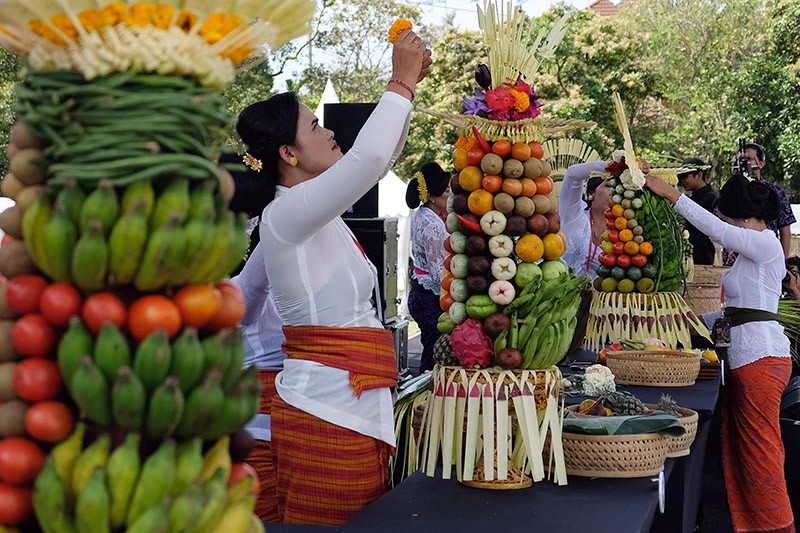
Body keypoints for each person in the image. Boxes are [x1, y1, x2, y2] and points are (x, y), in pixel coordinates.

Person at [234, 29, 431, 526]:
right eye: (315, 127)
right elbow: (368, 160)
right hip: (325, 411)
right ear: (289, 154)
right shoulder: (286, 214)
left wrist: (407, 92)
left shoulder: (310, 214)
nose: (329, 133)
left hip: (345, 406)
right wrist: (399, 83)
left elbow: (376, 162)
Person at [645, 171, 795, 533]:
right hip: (751, 358)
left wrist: (671, 195)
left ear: (740, 217)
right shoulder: (751, 253)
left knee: (761, 452)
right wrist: (688, 322)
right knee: (751, 451)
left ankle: (778, 527)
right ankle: (756, 524)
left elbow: (717, 230)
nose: (724, 223)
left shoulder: (766, 243)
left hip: (761, 359)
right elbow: (735, 312)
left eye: (726, 216)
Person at [405, 162, 450, 373]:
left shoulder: (422, 215)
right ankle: (427, 390)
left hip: (421, 295)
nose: (450, 195)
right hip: (429, 299)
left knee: (433, 350)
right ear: (432, 196)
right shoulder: (431, 225)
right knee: (434, 355)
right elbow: (439, 272)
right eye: (446, 191)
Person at [724, 143, 795, 264]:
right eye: (740, 160)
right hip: (735, 259)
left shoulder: (775, 193)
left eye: (748, 159)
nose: (743, 163)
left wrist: (782, 262)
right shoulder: (729, 192)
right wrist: (729, 248)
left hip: (766, 257)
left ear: (761, 164)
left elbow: (785, 228)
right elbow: (723, 225)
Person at [559, 160, 611, 279]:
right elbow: (573, 174)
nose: (614, 192)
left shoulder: (623, 230)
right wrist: (617, 166)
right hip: (554, 287)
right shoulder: (573, 214)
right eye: (608, 186)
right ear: (591, 193)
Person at [676, 157, 718, 265]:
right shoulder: (691, 197)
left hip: (702, 252)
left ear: (699, 175)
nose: (682, 181)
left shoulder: (710, 198)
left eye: (685, 176)